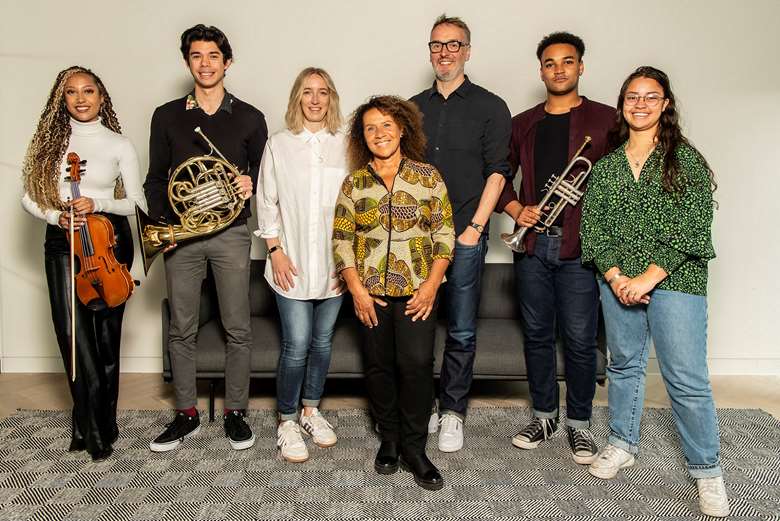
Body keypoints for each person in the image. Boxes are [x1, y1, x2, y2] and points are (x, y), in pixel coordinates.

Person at [580, 66, 729, 517]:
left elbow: (693, 226)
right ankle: (623, 443)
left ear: (665, 104)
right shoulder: (606, 168)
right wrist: (615, 276)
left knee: (685, 378)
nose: (640, 104)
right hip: (618, 282)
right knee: (624, 365)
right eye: (632, 97)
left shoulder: (685, 160)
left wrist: (647, 278)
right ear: (622, 104)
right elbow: (594, 228)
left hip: (675, 282)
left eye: (650, 97)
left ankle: (707, 471)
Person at [145, 24, 268, 452]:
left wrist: (250, 182)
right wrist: (167, 228)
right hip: (182, 236)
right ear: (187, 62)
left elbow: (264, 179)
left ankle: (235, 412)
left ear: (226, 61)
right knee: (182, 328)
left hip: (231, 234)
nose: (205, 63)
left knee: (238, 326)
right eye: (196, 56)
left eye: (213, 55)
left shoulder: (250, 118)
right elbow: (157, 180)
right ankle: (186, 414)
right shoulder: (167, 116)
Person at [494, 32, 614, 463]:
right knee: (538, 336)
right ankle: (544, 415)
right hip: (532, 246)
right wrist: (514, 207)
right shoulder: (524, 122)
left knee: (581, 341)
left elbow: (626, 178)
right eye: (550, 63)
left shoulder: (607, 120)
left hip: (580, 248)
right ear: (540, 69)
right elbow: (499, 173)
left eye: (567, 62)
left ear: (581, 67)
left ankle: (579, 425)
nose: (558, 69)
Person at [21, 65, 146, 461]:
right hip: (62, 239)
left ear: (101, 97)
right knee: (71, 333)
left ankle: (101, 421)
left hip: (107, 240)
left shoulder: (119, 144)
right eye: (72, 92)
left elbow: (137, 204)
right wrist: (54, 215)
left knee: (107, 339)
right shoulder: (50, 145)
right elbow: (29, 196)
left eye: (88, 91)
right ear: (63, 99)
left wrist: (101, 203)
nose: (81, 98)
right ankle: (91, 424)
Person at [333, 96, 455, 490]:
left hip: (419, 293)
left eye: (386, 124)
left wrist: (433, 285)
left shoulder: (428, 177)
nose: (379, 133)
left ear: (402, 129)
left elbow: (444, 236)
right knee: (379, 366)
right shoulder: (354, 183)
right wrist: (356, 290)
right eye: (370, 127)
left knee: (417, 365)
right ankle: (389, 438)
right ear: (361, 137)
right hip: (372, 296)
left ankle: (415, 448)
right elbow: (341, 240)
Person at [410, 14, 512, 453]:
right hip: (416, 240)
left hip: (465, 235)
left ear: (467, 51)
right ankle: (421, 406)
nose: (444, 52)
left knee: (462, 329)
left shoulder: (491, 106)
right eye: (436, 45)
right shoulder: (412, 108)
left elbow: (498, 173)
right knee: (418, 326)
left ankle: (452, 410)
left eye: (453, 44)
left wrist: (473, 229)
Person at [256, 67, 347, 463]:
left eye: (322, 92)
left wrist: (348, 261)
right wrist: (275, 251)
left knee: (323, 342)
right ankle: (287, 419)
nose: (315, 100)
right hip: (289, 263)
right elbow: (266, 201)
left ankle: (312, 410)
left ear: (331, 98)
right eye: (307, 92)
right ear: (297, 98)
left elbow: (353, 206)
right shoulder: (278, 144)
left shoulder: (347, 145)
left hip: (334, 266)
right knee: (296, 344)